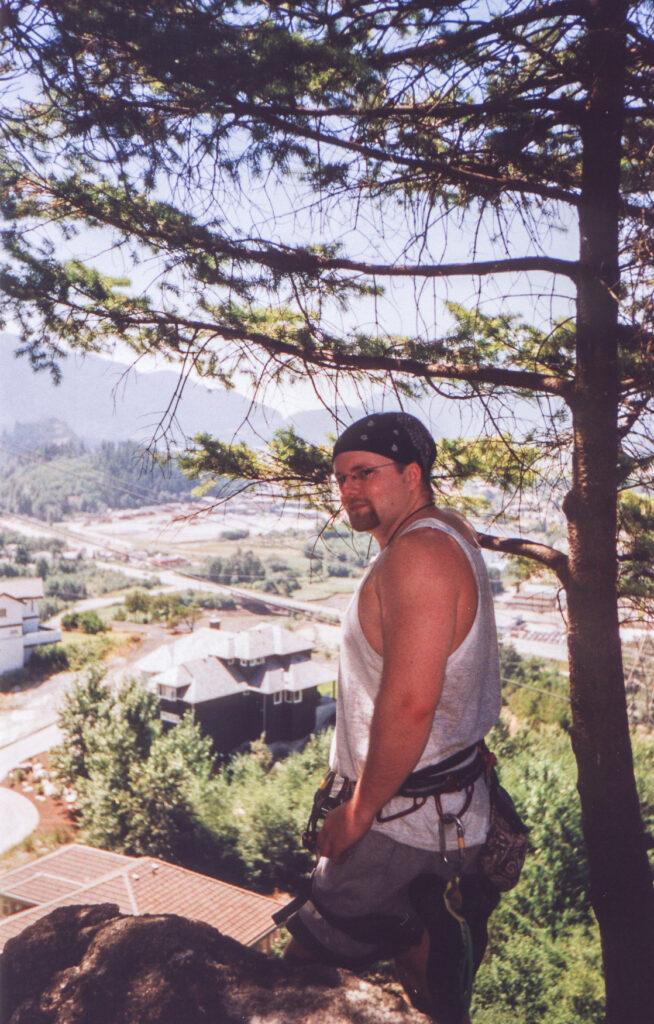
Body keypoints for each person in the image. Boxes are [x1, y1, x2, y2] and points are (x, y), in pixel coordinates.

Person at [284, 411, 502, 1024]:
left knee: (300, 978)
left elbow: (411, 705)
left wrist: (356, 813)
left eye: (364, 473)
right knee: (423, 978)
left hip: (399, 822)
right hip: (438, 809)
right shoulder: (442, 533)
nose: (349, 489)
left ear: (412, 475)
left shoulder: (420, 555)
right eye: (341, 479)